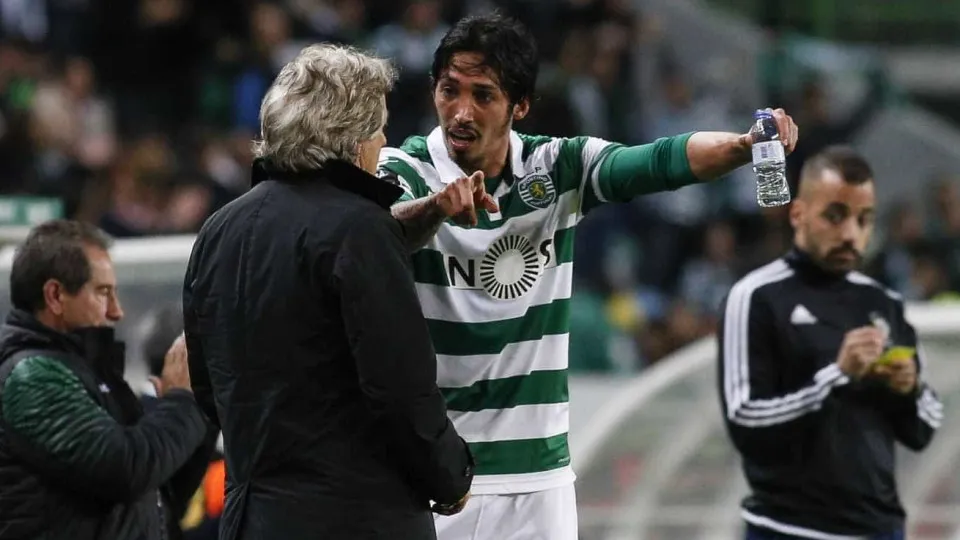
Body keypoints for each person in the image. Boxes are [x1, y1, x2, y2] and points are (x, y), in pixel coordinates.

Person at [377, 12, 799, 540]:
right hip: (437, 480)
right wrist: (436, 209)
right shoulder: (405, 170)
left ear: (520, 106)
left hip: (540, 481)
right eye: (449, 90)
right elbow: (377, 232)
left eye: (483, 95)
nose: (461, 112)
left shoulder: (558, 168)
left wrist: (740, 146)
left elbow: (657, 162)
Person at [182, 43, 474, 540]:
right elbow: (400, 386)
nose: (384, 141)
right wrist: (451, 475)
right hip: (356, 517)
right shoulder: (361, 228)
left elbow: (208, 386)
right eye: (378, 129)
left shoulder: (218, 229)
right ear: (353, 140)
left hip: (250, 517)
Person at [717, 146, 943, 539]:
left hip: (880, 530)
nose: (851, 234)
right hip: (789, 529)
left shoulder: (883, 302)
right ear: (798, 214)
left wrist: (909, 389)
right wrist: (837, 377)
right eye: (834, 216)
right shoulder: (756, 296)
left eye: (864, 219)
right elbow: (745, 422)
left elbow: (923, 428)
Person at [0, 219, 211, 540]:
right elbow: (127, 471)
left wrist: (201, 409)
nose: (117, 311)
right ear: (55, 295)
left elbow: (157, 497)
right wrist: (181, 403)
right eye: (103, 292)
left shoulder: (89, 371)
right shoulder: (32, 377)